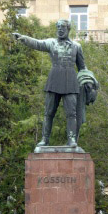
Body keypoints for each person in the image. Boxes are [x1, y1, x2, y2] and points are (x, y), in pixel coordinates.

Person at [13, 19, 87, 148]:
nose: (60, 29)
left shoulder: (76, 46)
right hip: (54, 80)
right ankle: (45, 139)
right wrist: (23, 38)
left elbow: (82, 67)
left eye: (63, 27)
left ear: (68, 29)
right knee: (48, 112)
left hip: (70, 81)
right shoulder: (51, 43)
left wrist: (89, 79)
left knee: (71, 113)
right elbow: (37, 43)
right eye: (58, 27)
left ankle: (71, 139)